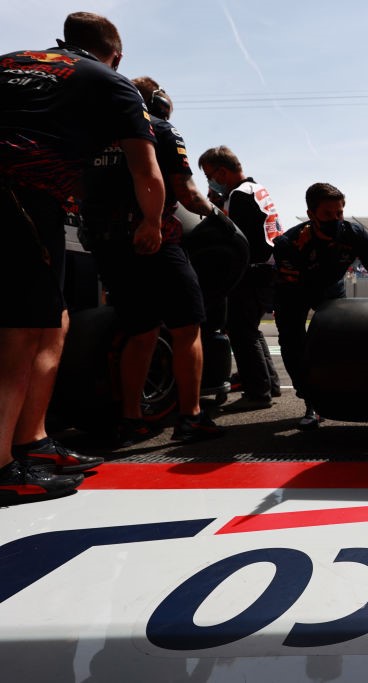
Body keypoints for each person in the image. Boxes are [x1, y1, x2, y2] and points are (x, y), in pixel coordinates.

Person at [0, 12, 157, 503]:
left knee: (53, 323)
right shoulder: (111, 81)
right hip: (22, 197)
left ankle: (32, 442)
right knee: (22, 332)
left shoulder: (9, 61)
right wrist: (151, 222)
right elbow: (146, 170)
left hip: (27, 202)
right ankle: (3, 467)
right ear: (117, 53)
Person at [81, 77, 224, 445]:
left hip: (108, 244)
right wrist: (220, 217)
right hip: (156, 238)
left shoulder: (93, 132)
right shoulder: (159, 126)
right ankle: (190, 417)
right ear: (157, 101)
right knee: (186, 326)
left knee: (141, 331)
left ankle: (130, 420)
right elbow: (187, 192)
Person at [273, 183, 368, 429]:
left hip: (331, 286)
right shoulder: (290, 243)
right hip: (293, 290)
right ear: (311, 214)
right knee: (293, 343)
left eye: (339, 213)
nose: (335, 219)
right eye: (327, 214)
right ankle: (309, 400)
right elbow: (287, 288)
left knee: (337, 340)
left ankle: (340, 394)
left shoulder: (354, 234)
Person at [198, 146, 282, 410]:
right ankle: (270, 383)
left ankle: (258, 392)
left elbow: (236, 239)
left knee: (240, 332)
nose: (210, 182)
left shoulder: (238, 195)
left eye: (210, 175)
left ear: (222, 172)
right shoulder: (256, 189)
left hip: (252, 269)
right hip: (267, 268)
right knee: (250, 329)